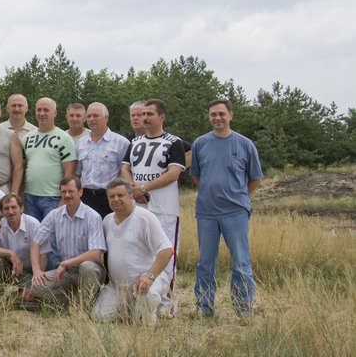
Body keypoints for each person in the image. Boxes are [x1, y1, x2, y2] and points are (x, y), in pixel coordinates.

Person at [191, 99, 264, 317]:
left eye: (221, 114)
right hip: (206, 213)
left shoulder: (245, 144)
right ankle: (204, 308)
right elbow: (196, 176)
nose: (217, 118)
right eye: (213, 114)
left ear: (230, 115)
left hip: (236, 213)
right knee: (205, 263)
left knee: (241, 262)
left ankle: (243, 308)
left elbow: (255, 179)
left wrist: (238, 196)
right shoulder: (200, 144)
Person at [121, 98, 186, 315]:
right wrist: (133, 189)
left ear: (161, 117)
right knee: (141, 252)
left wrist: (144, 187)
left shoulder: (173, 142)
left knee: (166, 254)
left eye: (150, 114)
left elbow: (174, 173)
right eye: (143, 114)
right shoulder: (135, 142)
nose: (145, 117)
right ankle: (143, 299)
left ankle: (166, 305)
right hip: (139, 207)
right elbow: (125, 168)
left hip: (164, 209)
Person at [92, 179, 174, 327]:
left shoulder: (145, 218)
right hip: (117, 286)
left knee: (148, 298)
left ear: (131, 196)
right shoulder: (107, 221)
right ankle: (133, 310)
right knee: (99, 316)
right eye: (112, 196)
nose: (116, 199)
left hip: (145, 281)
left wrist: (150, 277)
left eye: (120, 195)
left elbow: (167, 250)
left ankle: (150, 316)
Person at [25, 176, 107, 310]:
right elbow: (36, 243)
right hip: (66, 272)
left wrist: (66, 263)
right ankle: (75, 300)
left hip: (88, 270)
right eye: (64, 192)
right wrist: (36, 271)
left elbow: (95, 254)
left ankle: (82, 310)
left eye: (70, 191)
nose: (67, 195)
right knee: (36, 286)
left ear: (80, 192)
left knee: (87, 267)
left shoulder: (93, 217)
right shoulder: (55, 215)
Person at [11, 98, 77, 221]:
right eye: (39, 110)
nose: (41, 113)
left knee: (51, 233)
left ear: (55, 113)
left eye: (46, 110)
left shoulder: (64, 138)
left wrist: (64, 199)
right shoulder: (27, 138)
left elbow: (70, 172)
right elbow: (20, 166)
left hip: (53, 198)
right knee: (33, 232)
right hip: (30, 196)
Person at [76, 102, 130, 218]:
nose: (91, 119)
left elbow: (125, 172)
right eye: (89, 116)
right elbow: (78, 173)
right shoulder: (81, 143)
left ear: (106, 118)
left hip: (110, 197)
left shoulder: (121, 143)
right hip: (86, 197)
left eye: (95, 116)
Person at [0, 193, 40, 281]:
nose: (10, 212)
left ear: (21, 208)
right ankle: (0, 287)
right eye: (6, 208)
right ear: (2, 212)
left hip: (29, 270)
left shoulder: (33, 224)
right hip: (8, 267)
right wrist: (10, 253)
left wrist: (37, 275)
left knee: (34, 287)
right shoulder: (0, 224)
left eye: (13, 207)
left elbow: (43, 253)